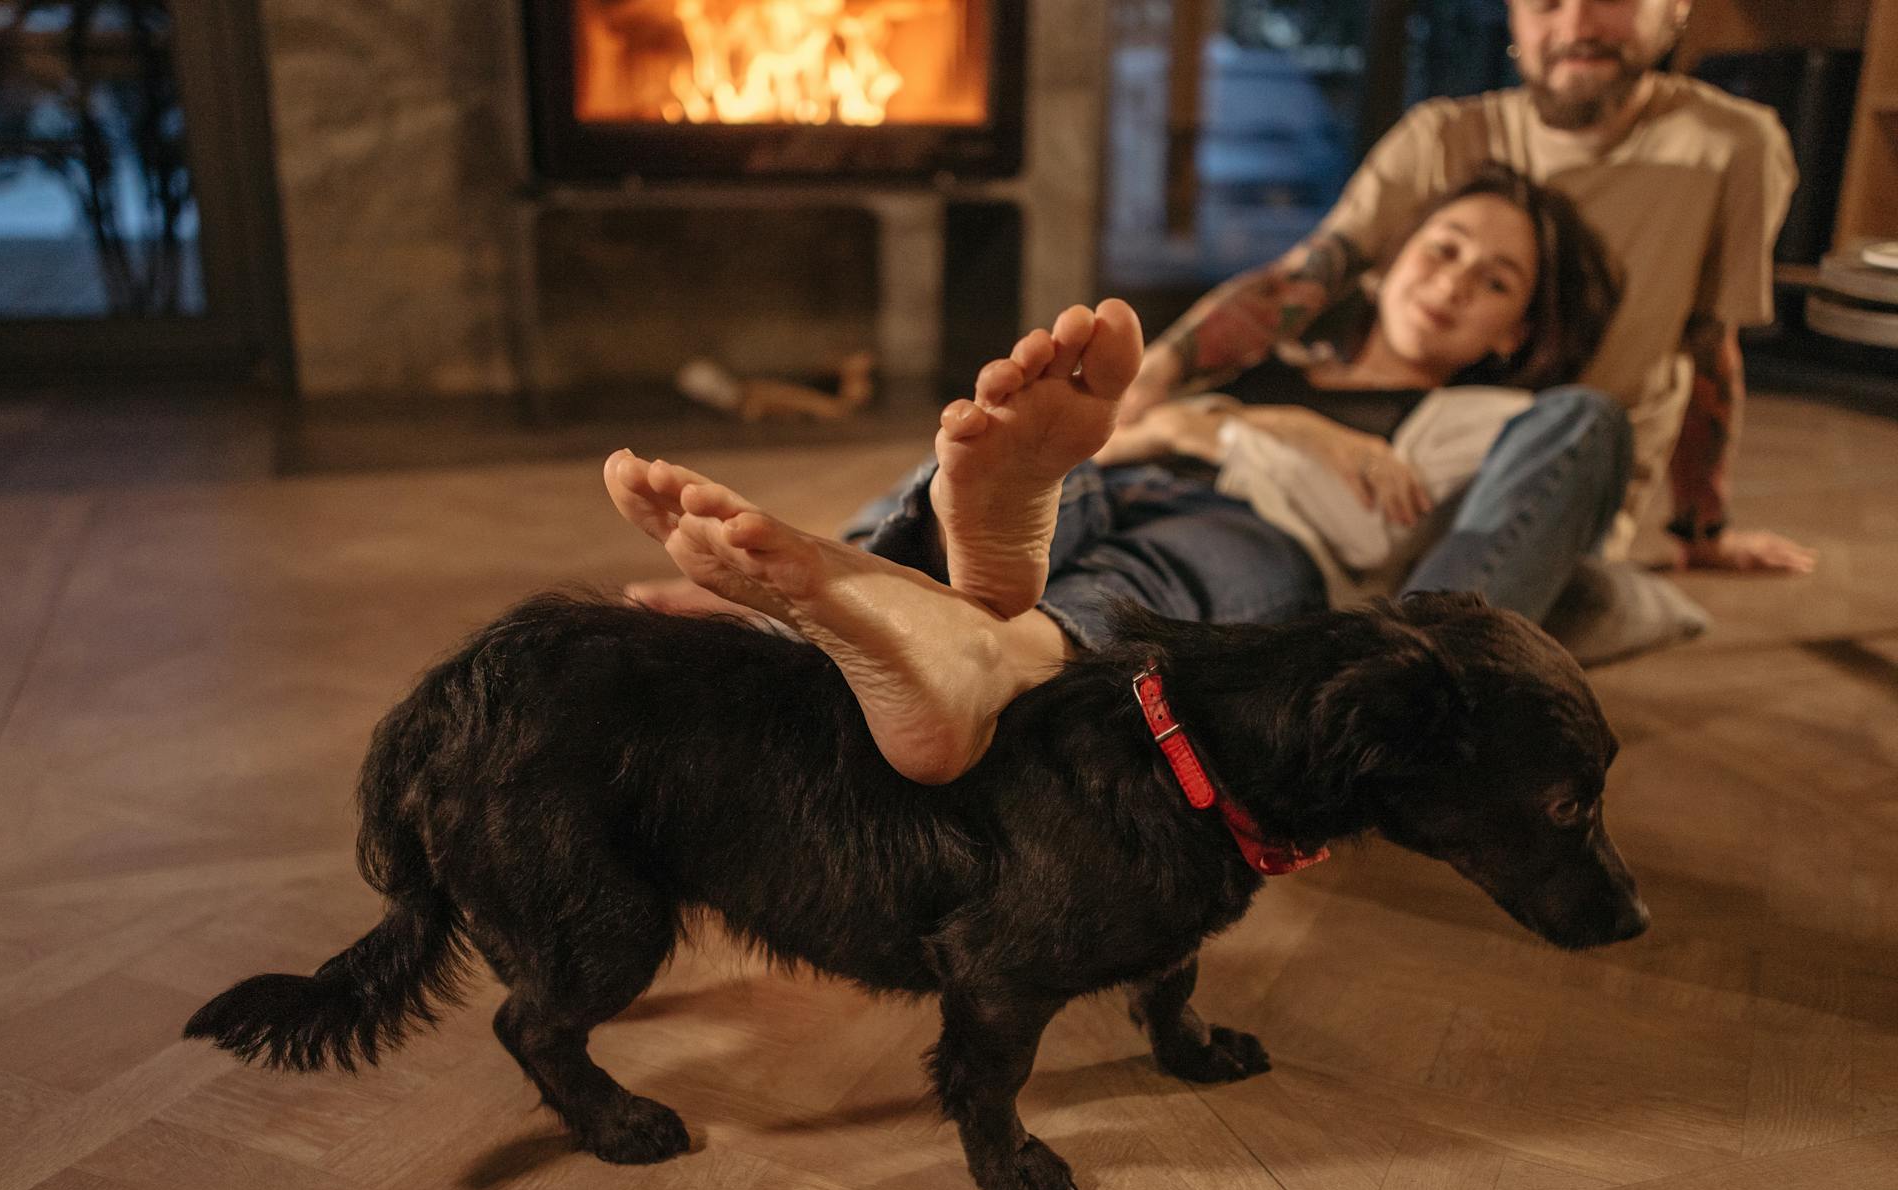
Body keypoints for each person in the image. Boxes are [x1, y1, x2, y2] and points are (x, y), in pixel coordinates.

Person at [605, 163, 1618, 783]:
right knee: (1065, 478)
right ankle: (933, 593)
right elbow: (1127, 422)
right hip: (1122, 467)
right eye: (1443, 250)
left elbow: (1524, 520)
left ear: (1512, 333)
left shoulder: (1472, 424)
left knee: (1158, 575)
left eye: (1495, 284)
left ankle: (925, 627)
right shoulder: (1265, 355)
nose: (1453, 286)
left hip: (1258, 534)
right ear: (1392, 257)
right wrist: (1258, 424)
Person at [1113, 0, 1816, 590]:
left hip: (1559, 488)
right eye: (1545, 1)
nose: (1575, 22)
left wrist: (1702, 526)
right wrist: (1152, 383)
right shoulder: (1442, 137)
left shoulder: (1732, 146)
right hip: (1404, 459)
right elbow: (1297, 282)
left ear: (1675, 9)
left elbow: (1708, 345)